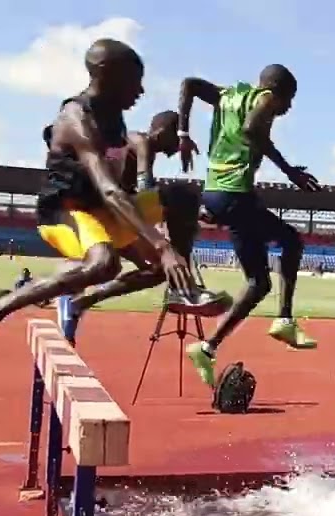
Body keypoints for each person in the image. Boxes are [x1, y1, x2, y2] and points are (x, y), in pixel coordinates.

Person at [0, 39, 193, 355]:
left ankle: (87, 300)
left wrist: (167, 248)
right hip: (65, 212)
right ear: (107, 74)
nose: (140, 91)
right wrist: (161, 244)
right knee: (104, 263)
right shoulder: (77, 118)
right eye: (134, 81)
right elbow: (108, 188)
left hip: (103, 211)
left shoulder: (115, 116)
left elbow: (117, 189)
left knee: (180, 205)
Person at [177, 64, 322, 387]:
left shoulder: (228, 95)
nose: (289, 108)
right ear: (278, 90)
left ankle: (206, 348)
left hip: (217, 192)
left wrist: (183, 133)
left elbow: (189, 82)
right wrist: (289, 171)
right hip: (234, 195)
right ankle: (284, 319)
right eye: (291, 99)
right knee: (292, 241)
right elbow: (251, 130)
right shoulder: (266, 100)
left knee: (258, 283)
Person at [55, 110, 225, 342]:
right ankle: (184, 290)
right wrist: (167, 230)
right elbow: (146, 188)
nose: (175, 148)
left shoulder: (128, 147)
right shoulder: (139, 140)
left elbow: (137, 197)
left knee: (158, 272)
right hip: (105, 214)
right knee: (184, 195)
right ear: (164, 131)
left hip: (110, 219)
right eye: (176, 139)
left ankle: (79, 303)